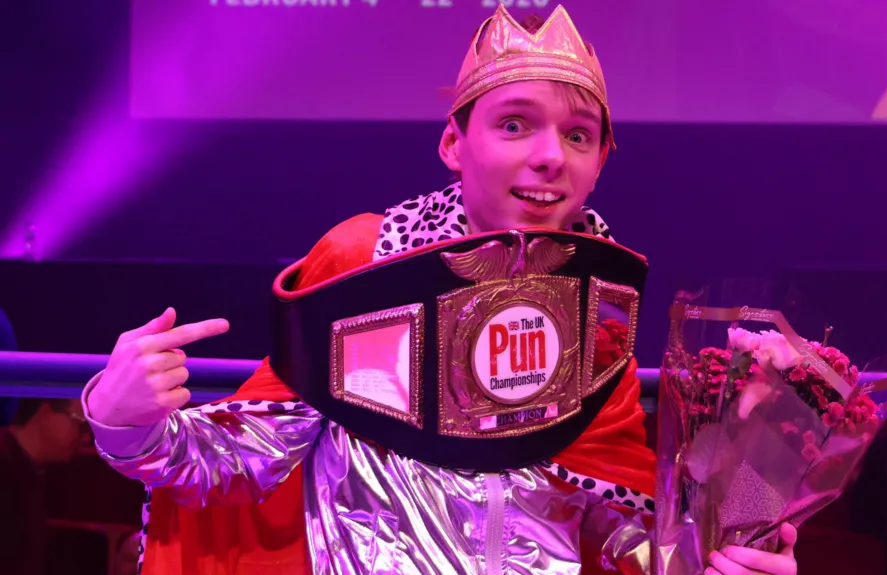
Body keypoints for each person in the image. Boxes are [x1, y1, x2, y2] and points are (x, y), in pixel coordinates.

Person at [82, 6, 799, 574]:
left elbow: (612, 521)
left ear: (602, 158)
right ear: (454, 143)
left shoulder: (600, 309)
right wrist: (123, 421)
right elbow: (239, 464)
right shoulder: (368, 264)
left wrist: (720, 533)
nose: (550, 156)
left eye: (579, 135)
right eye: (515, 124)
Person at [0, 398, 93, 574]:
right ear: (45, 411)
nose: (87, 438)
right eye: (81, 425)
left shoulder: (31, 472)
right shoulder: (6, 465)